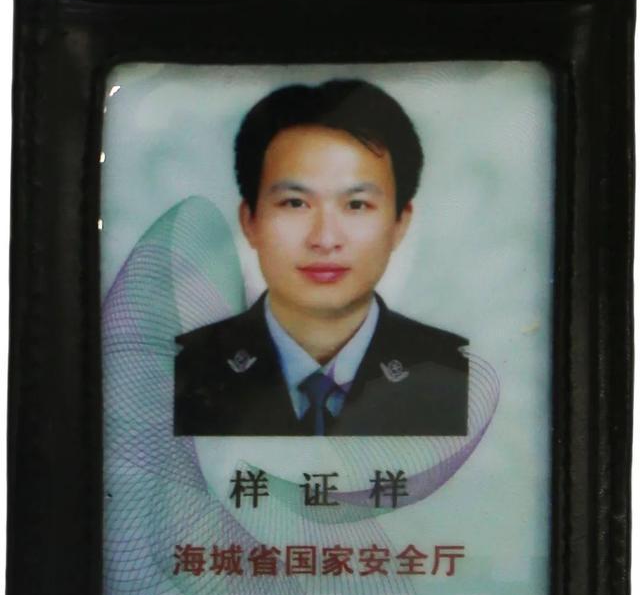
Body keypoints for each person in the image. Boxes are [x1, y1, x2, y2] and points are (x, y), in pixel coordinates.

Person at [174, 79, 469, 436]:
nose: (325, 240)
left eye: (356, 205)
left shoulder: (457, 376)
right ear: (250, 221)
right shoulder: (182, 371)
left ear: (399, 224)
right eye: (295, 203)